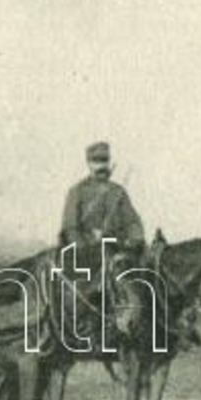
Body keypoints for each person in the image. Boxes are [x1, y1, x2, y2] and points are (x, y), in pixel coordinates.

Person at [59, 142, 147, 338]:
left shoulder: (118, 193)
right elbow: (69, 227)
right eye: (96, 161)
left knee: (137, 281)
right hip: (85, 253)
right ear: (88, 164)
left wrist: (134, 239)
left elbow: (133, 222)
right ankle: (84, 326)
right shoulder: (78, 192)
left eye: (104, 160)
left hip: (115, 251)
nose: (100, 166)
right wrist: (89, 245)